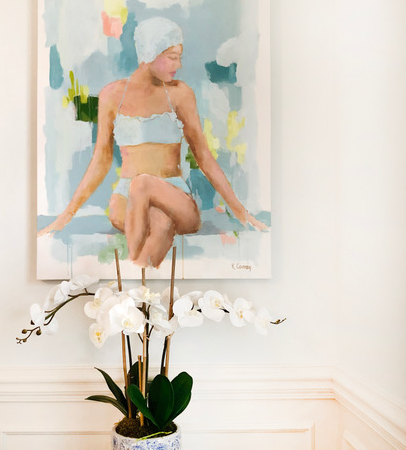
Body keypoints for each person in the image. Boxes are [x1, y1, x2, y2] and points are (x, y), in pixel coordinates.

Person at [38, 16, 267, 268]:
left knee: (143, 184)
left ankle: (131, 280)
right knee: (160, 223)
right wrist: (66, 215)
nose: (178, 65)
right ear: (150, 53)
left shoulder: (180, 94)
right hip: (125, 197)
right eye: (172, 57)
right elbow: (101, 160)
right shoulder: (111, 95)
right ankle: (140, 277)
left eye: (179, 57)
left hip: (174, 194)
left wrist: (239, 211)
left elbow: (203, 156)